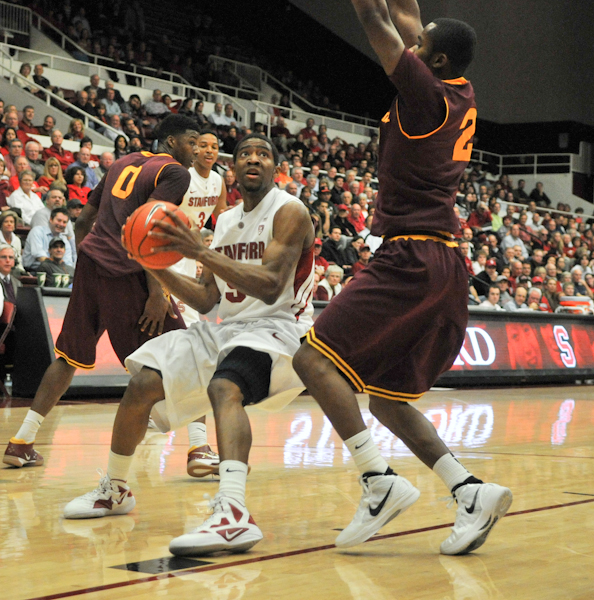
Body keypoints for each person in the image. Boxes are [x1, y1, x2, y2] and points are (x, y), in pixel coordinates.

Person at [292, 0, 511, 555]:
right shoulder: (458, 88)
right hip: (444, 261)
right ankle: (469, 492)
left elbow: (377, 21)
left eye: (422, 44)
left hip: (410, 255)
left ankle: (378, 480)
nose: (412, 43)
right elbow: (408, 15)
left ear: (433, 60)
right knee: (389, 400)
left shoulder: (425, 94)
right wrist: (411, 21)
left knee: (312, 359)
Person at [62, 133, 315, 562]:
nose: (254, 158)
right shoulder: (226, 221)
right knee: (143, 381)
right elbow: (205, 298)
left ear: (275, 168)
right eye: (246, 154)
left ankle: (233, 510)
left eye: (264, 154)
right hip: (230, 328)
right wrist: (148, 263)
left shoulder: (289, 211)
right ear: (232, 170)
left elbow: (272, 287)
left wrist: (197, 249)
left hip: (280, 328)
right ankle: (116, 489)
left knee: (224, 387)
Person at [2, 115, 200, 469]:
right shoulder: (175, 174)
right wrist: (157, 293)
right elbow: (149, 229)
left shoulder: (123, 162)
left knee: (67, 357)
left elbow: (82, 222)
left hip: (91, 262)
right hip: (129, 270)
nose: (197, 150)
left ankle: (21, 441)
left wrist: (90, 262)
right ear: (171, 142)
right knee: (187, 355)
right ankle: (199, 449)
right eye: (193, 141)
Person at [22, 207, 73, 271]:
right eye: (59, 220)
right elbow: (39, 256)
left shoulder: (64, 240)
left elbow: (68, 263)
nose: (61, 224)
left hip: (56, 271)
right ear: (51, 220)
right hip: (33, 270)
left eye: (64, 222)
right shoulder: (37, 231)